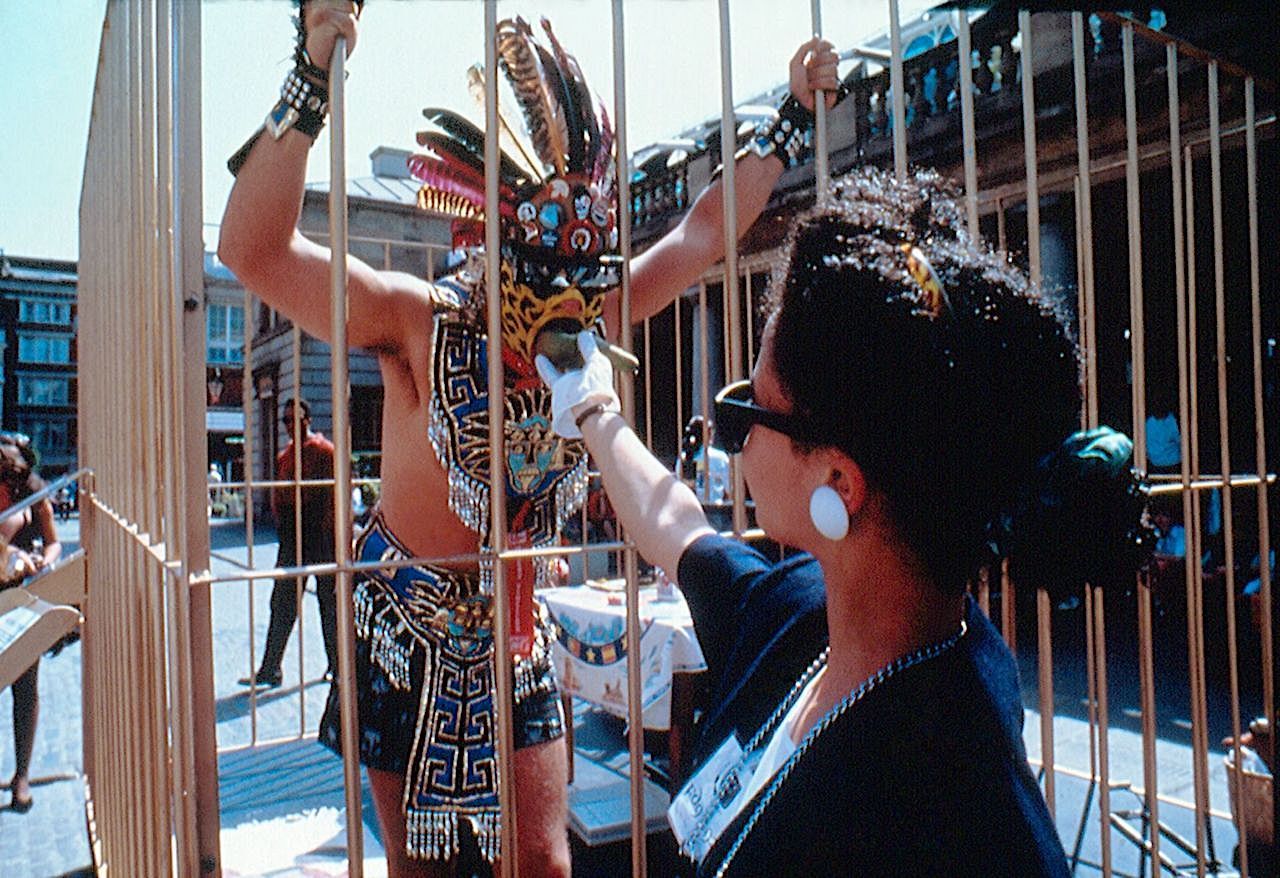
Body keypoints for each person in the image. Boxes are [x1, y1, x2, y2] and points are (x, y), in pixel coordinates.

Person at [217, 2, 838, 873]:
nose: (571, 299)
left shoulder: (594, 319)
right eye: (549, 266)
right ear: (499, 246)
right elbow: (251, 250)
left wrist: (790, 119)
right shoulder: (416, 320)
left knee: (544, 864)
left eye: (588, 271)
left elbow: (702, 231)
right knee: (422, 869)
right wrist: (312, 68)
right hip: (405, 625)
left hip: (516, 634)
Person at [537, 168, 1154, 876]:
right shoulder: (808, 617)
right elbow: (673, 522)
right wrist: (591, 407)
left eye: (748, 411)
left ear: (839, 481)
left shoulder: (969, 820)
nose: (731, 435)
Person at [240, 397, 339, 688]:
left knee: (329, 604)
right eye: (284, 421)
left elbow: (335, 496)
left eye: (294, 419)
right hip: (292, 536)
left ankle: (336, 665)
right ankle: (271, 667)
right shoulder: (286, 456)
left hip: (321, 534)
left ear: (307, 420)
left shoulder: (324, 452)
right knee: (282, 603)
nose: (288, 426)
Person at [0, 432, 63, 814]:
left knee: (25, 684)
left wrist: (44, 560)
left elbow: (53, 542)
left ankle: (21, 777)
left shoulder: (31, 492)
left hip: (15, 593)